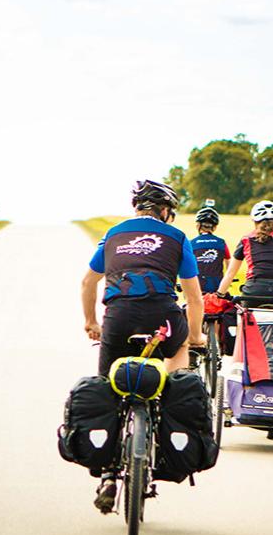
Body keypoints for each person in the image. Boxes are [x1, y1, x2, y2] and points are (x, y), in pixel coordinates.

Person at [81, 179, 206, 512]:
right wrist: (194, 338)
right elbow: (193, 298)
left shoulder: (114, 234)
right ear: (164, 210)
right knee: (177, 364)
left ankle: (108, 474)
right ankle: (165, 425)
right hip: (162, 316)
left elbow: (88, 281)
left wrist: (91, 322)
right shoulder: (178, 238)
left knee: (109, 386)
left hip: (118, 318)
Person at [215, 200, 273, 300]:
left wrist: (220, 293)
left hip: (253, 292)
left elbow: (230, 273)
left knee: (242, 314)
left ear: (255, 221)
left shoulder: (246, 240)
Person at [190, 205, 228, 295]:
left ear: (198, 225)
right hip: (216, 287)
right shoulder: (221, 243)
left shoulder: (191, 243)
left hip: (197, 287)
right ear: (214, 227)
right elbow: (229, 265)